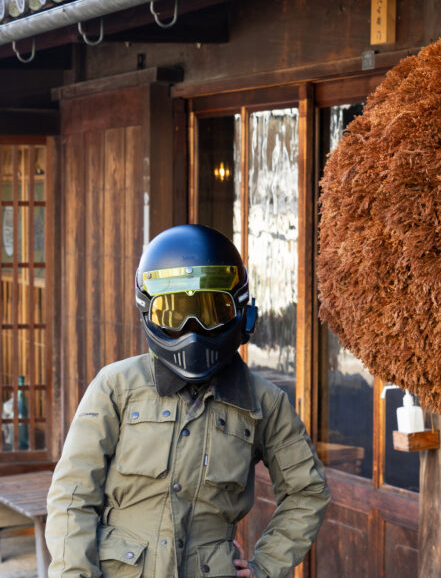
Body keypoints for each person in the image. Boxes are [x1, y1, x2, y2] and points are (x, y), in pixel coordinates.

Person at [46, 224, 330, 577]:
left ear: (241, 313)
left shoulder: (263, 403)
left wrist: (265, 567)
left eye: (210, 312)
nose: (192, 329)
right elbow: (73, 496)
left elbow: (308, 491)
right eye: (175, 313)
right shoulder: (117, 387)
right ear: (149, 312)